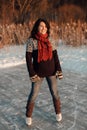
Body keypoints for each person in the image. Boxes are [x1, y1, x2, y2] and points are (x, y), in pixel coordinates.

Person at [25, 18, 63, 126]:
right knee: (34, 94)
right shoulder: (31, 41)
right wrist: (32, 73)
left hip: (51, 72)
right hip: (38, 74)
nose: (43, 28)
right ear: (37, 27)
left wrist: (59, 69)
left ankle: (58, 112)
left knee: (55, 93)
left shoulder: (50, 39)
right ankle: (28, 115)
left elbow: (55, 56)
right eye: (41, 26)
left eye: (45, 26)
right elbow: (28, 59)